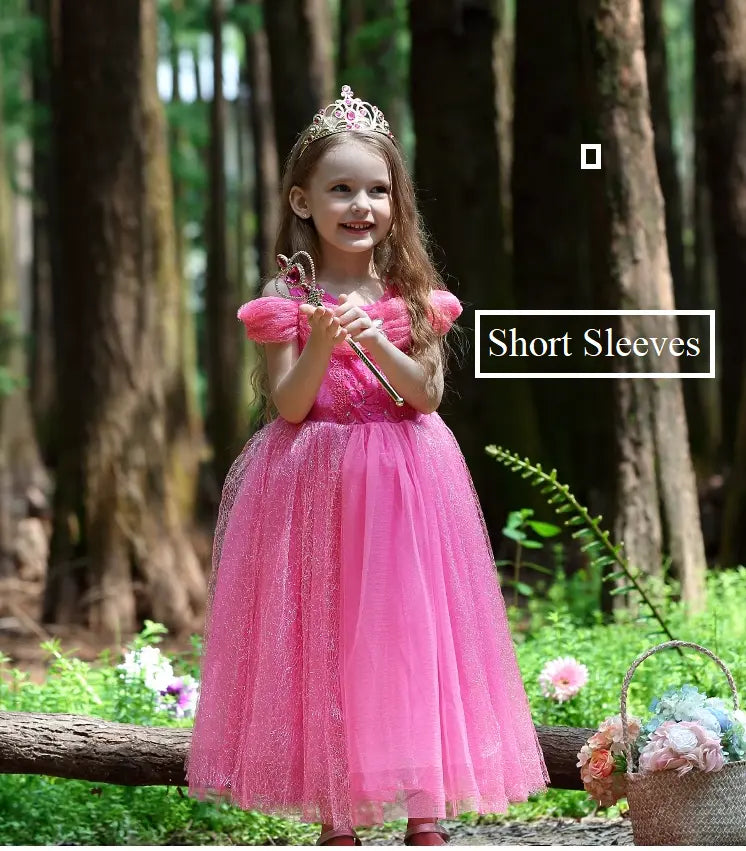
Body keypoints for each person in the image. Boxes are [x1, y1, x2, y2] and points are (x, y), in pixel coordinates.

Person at [185, 86, 549, 846]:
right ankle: (336, 810)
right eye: (341, 189)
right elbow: (290, 406)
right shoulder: (286, 295)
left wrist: (375, 337)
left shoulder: (413, 293)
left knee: (411, 632)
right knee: (326, 635)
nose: (361, 205)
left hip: (407, 482)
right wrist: (320, 340)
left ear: (396, 202)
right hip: (315, 485)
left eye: (378, 190)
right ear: (303, 201)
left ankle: (424, 808)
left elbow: (426, 395)